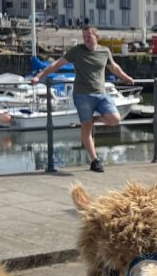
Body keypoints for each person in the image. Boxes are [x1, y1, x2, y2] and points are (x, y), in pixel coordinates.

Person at [30, 26, 134, 173]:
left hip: (101, 93)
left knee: (115, 119)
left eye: (88, 36)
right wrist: (39, 77)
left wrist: (126, 78)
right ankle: (95, 161)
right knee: (86, 127)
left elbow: (114, 67)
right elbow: (57, 64)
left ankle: (94, 120)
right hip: (82, 94)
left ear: (96, 36)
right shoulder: (77, 51)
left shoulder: (105, 51)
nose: (85, 39)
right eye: (84, 36)